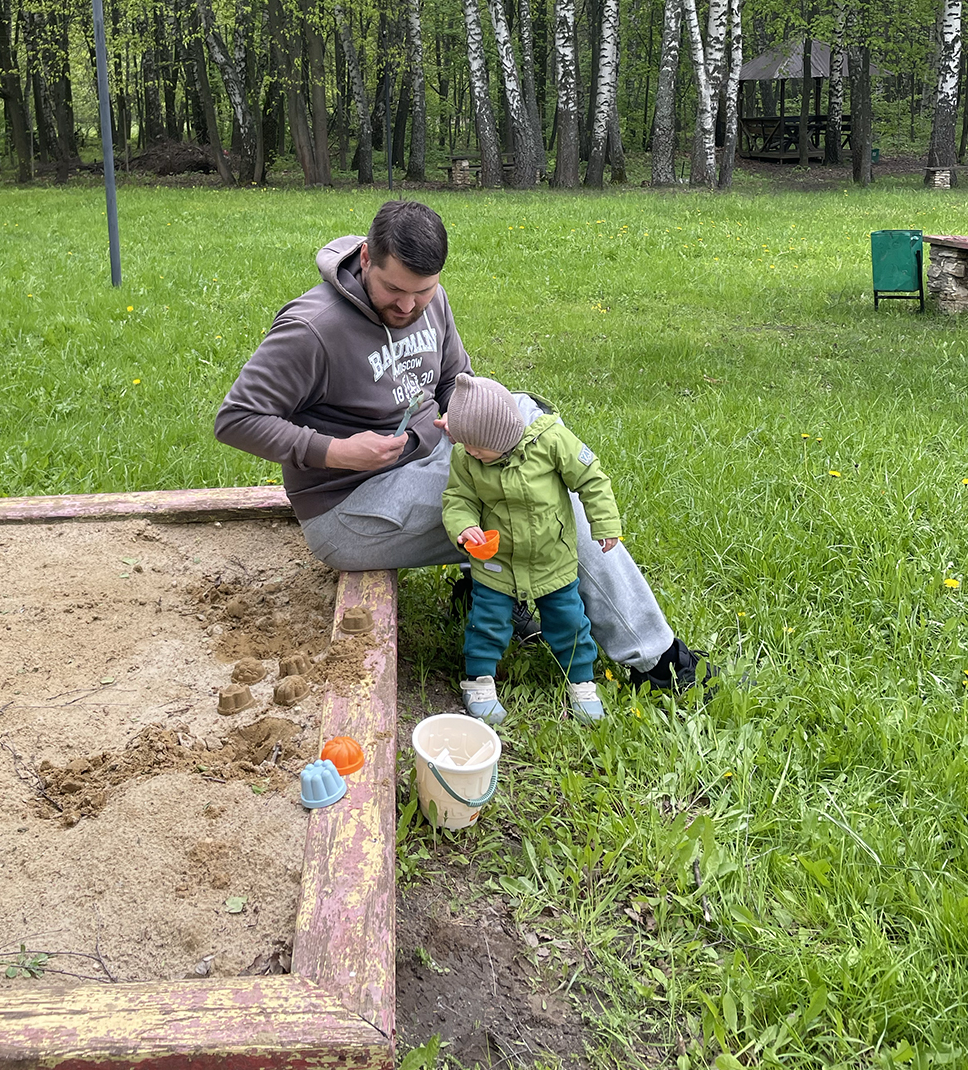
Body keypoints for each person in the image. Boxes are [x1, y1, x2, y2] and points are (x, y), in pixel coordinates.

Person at [214, 199, 710, 694]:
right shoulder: (312, 329)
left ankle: (492, 586)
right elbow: (235, 419)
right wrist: (335, 452)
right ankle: (660, 662)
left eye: (422, 292)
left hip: (426, 457)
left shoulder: (435, 302)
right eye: (394, 289)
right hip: (350, 507)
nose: (408, 307)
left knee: (523, 415)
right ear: (366, 258)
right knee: (542, 495)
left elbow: (454, 380)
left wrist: (463, 413)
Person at [441, 373, 620, 725]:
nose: (469, 452)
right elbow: (458, 497)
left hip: (552, 557)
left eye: (476, 446)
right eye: (465, 446)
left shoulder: (551, 441)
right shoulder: (467, 457)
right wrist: (464, 526)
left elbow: (591, 478)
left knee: (569, 621)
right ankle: (479, 681)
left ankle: (581, 681)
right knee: (487, 621)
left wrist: (605, 523)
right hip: (498, 562)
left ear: (501, 435)